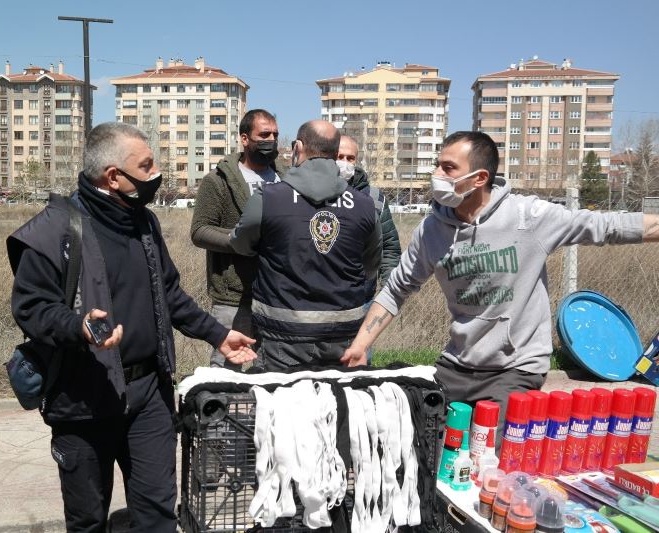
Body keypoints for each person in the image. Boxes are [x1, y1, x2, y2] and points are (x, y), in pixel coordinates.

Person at [7, 122, 256, 532]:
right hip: (83, 399)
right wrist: (78, 326)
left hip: (148, 398)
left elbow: (170, 295)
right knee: (88, 519)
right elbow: (31, 308)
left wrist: (219, 334)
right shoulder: (55, 229)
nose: (156, 173)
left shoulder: (144, 224)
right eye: (147, 165)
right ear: (113, 177)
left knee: (158, 514)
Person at [341, 130, 659, 441]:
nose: (436, 174)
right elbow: (396, 289)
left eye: (448, 168)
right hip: (458, 364)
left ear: (479, 178)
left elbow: (605, 226)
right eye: (438, 165)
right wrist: (361, 345)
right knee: (427, 444)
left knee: (487, 451)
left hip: (515, 368)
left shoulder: (527, 216)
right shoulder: (432, 230)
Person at [231, 120, 381, 370]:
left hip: (283, 335)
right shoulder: (365, 205)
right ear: (335, 154)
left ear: (298, 147)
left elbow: (241, 244)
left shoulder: (268, 198)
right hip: (344, 334)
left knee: (284, 405)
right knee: (338, 406)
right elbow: (371, 263)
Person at [190, 109, 280, 370]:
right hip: (233, 296)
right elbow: (199, 230)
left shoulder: (286, 179)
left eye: (275, 135)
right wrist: (237, 240)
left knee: (269, 370)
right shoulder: (219, 181)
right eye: (264, 135)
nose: (271, 140)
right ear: (244, 139)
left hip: (277, 294)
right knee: (227, 369)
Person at [337, 135, 401, 288]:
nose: (344, 162)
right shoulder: (315, 193)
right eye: (339, 157)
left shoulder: (374, 198)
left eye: (350, 158)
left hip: (362, 295)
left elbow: (389, 247)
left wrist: (388, 290)